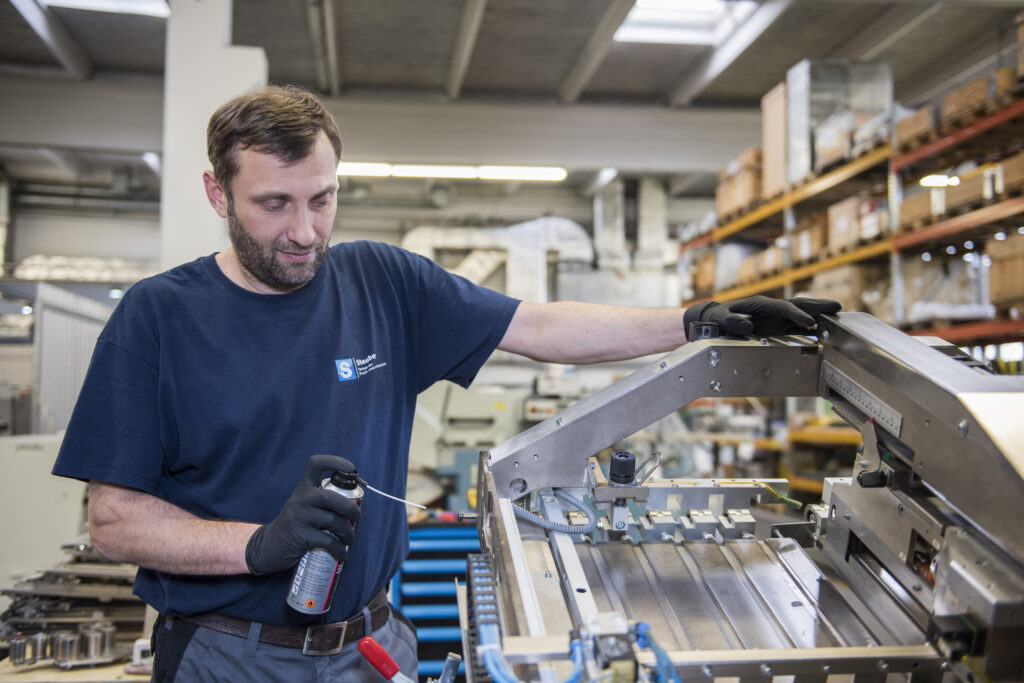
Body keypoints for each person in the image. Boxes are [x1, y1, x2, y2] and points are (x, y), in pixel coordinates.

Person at [51, 85, 838, 682]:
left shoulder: (382, 282)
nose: (303, 231)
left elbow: (540, 327)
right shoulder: (157, 318)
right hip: (231, 655)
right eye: (273, 204)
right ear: (218, 195)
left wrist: (693, 321)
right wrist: (257, 544)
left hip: (373, 644)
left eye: (322, 199)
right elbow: (114, 522)